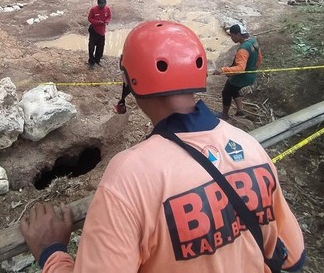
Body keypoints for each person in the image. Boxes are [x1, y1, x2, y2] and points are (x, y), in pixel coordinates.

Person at [20, 21, 305, 273]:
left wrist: (52, 253)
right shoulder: (250, 146)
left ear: (128, 80)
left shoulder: (129, 176)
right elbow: (291, 257)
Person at [213, 24, 262, 120]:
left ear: (238, 35)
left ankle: (224, 114)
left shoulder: (243, 50)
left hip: (241, 77)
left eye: (232, 35)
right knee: (234, 90)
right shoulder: (253, 42)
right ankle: (240, 111)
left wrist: (223, 70)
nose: (231, 38)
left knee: (226, 92)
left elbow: (240, 68)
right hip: (250, 75)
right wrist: (252, 69)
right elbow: (260, 58)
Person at [87, 0, 111, 68]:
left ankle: (98, 59)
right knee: (91, 47)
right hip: (94, 30)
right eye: (100, 5)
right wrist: (97, 22)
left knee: (100, 47)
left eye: (103, 4)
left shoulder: (107, 9)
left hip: (102, 31)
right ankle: (91, 62)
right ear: (98, 4)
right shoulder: (93, 9)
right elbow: (90, 18)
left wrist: (107, 21)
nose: (102, 6)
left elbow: (109, 16)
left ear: (105, 3)